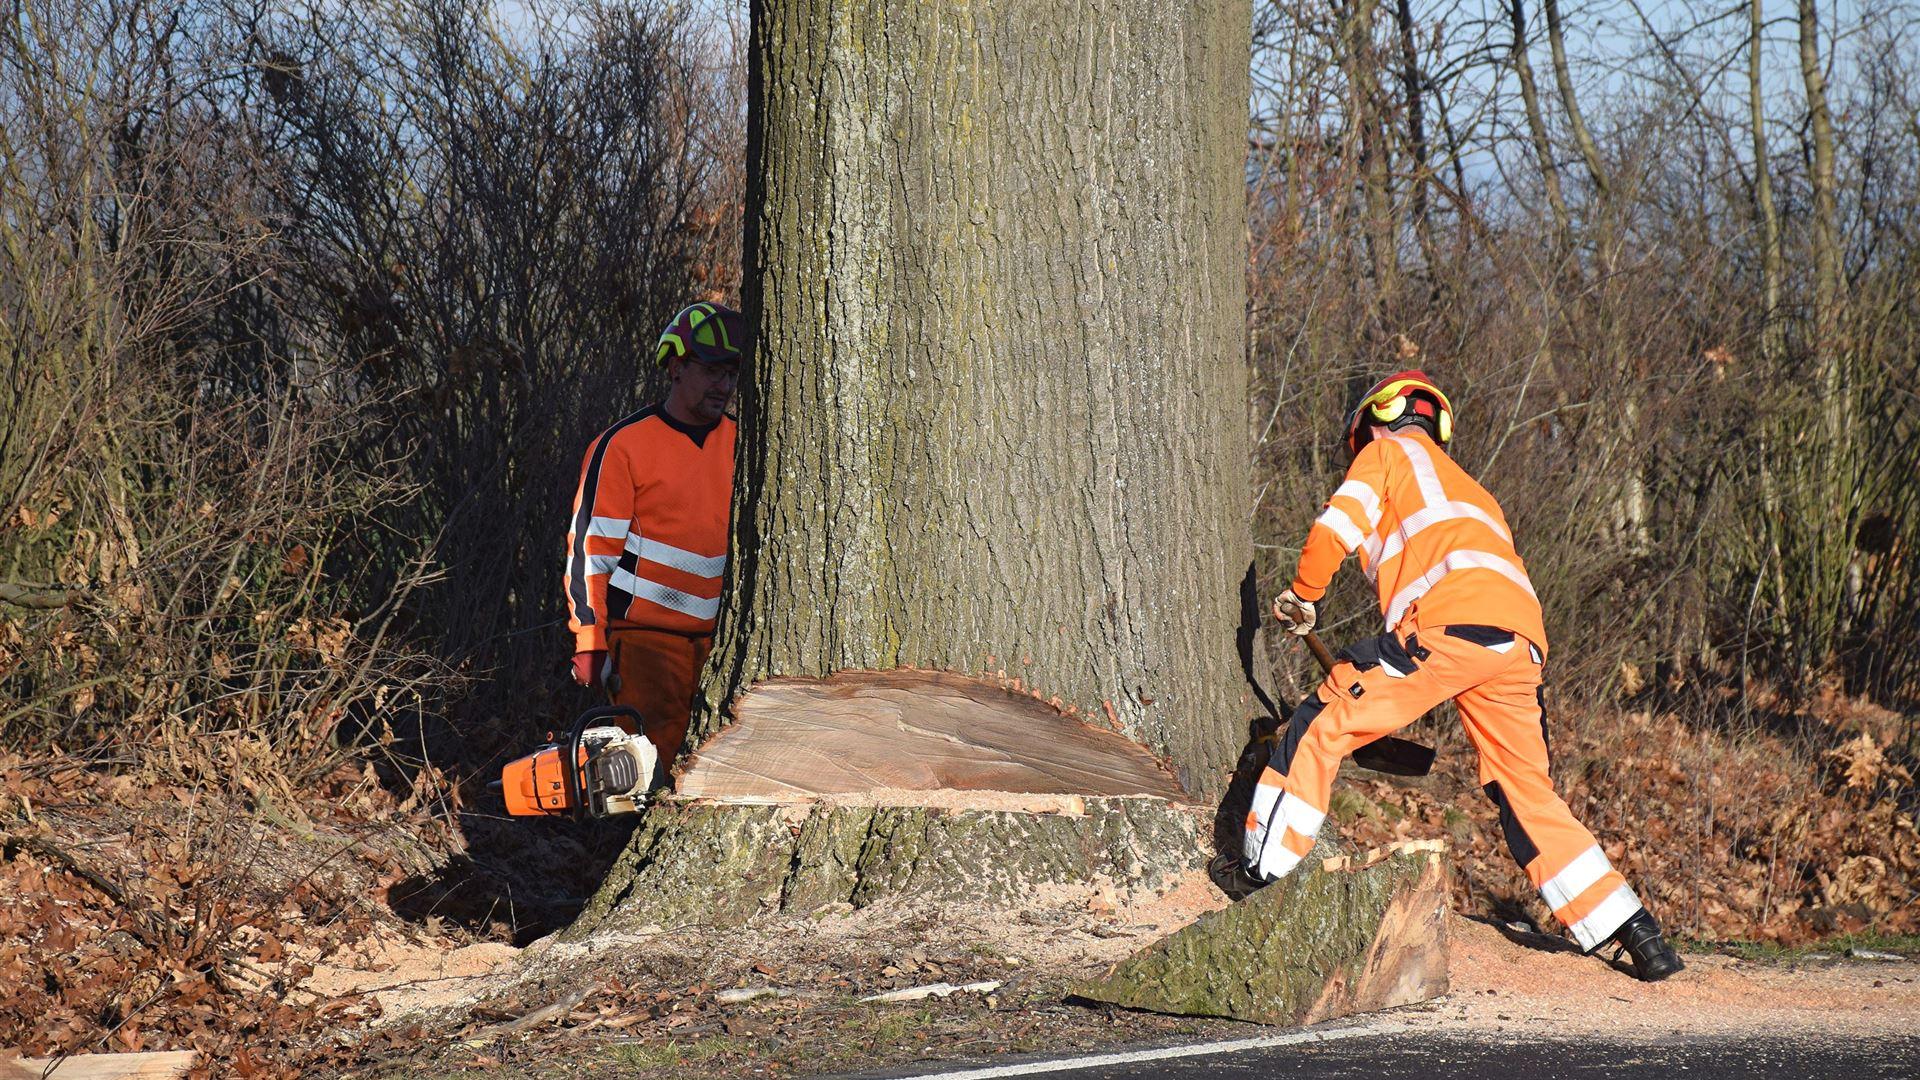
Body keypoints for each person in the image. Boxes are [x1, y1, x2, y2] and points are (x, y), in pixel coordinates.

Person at [1247, 370, 1684, 982]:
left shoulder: (1386, 454)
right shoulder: (1473, 490)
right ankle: (1634, 930)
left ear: (1374, 423)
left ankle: (1259, 876)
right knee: (1525, 791)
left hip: (1448, 628)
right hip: (1518, 645)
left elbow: (1335, 529)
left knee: (1325, 717)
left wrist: (1303, 594)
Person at [563, 302, 744, 769]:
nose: (723, 385)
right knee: (644, 775)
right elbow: (590, 553)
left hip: (727, 643)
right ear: (677, 367)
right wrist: (589, 639)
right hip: (646, 646)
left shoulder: (745, 443)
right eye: (711, 371)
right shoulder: (624, 444)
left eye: (730, 373)